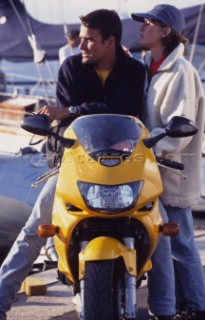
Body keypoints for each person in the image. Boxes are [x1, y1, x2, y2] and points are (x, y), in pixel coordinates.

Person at [0, 9, 145, 320]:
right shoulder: (71, 68)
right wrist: (74, 112)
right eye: (81, 39)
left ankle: (165, 304)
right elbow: (73, 122)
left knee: (154, 224)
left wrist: (73, 109)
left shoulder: (134, 70)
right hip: (75, 162)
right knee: (34, 229)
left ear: (110, 42)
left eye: (89, 40)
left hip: (123, 165)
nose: (81, 46)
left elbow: (126, 110)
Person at [131, 4, 205, 320]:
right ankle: (178, 305)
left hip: (170, 172)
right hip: (150, 171)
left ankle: (198, 308)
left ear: (166, 31)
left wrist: (149, 152)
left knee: (181, 245)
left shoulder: (181, 72)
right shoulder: (148, 66)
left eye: (148, 23)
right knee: (162, 245)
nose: (141, 28)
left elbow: (180, 128)